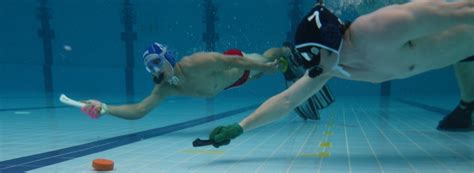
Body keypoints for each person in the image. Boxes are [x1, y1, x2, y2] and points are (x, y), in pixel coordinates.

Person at [206, 0, 474, 148]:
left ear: (330, 42)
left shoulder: (378, 27)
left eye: (318, 56)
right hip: (463, 55)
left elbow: (458, 11)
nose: (317, 66)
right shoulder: (332, 66)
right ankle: (466, 107)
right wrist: (240, 127)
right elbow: (287, 100)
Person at [80, 43, 289, 119]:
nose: (154, 70)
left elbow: (231, 60)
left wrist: (262, 67)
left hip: (238, 63)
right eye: (149, 67)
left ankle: (288, 50)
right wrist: (106, 108)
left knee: (268, 59)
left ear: (167, 58)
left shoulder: (194, 63)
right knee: (261, 74)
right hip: (231, 83)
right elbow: (139, 110)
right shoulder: (166, 88)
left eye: (155, 62)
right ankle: (274, 65)